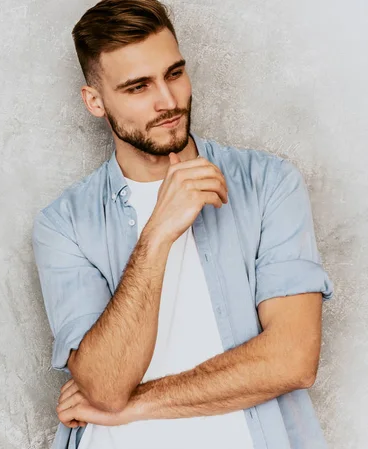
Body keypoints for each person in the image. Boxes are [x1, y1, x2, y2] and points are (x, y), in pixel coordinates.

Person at [31, 1, 334, 448]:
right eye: (138, 87)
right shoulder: (64, 225)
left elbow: (293, 359)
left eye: (174, 73)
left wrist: (138, 404)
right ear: (95, 101)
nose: (169, 102)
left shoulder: (268, 184)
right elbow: (104, 386)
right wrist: (158, 232)